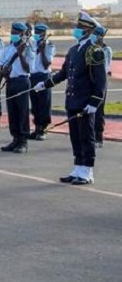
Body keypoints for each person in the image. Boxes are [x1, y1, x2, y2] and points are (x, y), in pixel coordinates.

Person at [34, 12, 107, 185]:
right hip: (73, 100)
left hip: (86, 101)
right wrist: (45, 84)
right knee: (75, 136)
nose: (77, 30)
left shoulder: (95, 51)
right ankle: (78, 167)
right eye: (77, 27)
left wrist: (94, 102)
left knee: (86, 136)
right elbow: (64, 73)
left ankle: (87, 171)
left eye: (80, 28)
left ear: (89, 31)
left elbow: (100, 81)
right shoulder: (74, 50)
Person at [0, 22, 34, 153]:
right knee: (12, 112)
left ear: (23, 34)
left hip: (22, 81)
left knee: (22, 112)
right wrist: (2, 72)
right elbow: (0, 65)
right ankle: (15, 139)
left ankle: (23, 141)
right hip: (10, 81)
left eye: (16, 33)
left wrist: (20, 54)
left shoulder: (29, 49)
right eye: (12, 32)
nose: (13, 35)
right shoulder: (8, 48)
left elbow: (29, 68)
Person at [28, 23, 55, 141]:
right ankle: (37, 127)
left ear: (44, 35)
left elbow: (46, 64)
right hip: (32, 76)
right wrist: (37, 50)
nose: (37, 35)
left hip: (43, 76)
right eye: (36, 33)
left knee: (44, 103)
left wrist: (43, 51)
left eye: (40, 33)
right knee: (35, 104)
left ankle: (43, 129)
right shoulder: (31, 44)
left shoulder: (50, 46)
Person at [91, 25, 112, 148]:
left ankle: (98, 137)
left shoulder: (106, 50)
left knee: (98, 110)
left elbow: (105, 68)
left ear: (100, 36)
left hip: (100, 83)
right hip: (90, 82)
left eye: (95, 34)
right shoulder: (91, 48)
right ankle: (90, 136)